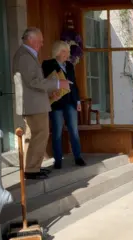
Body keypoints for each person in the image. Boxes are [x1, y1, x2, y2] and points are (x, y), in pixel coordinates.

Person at [13, 27, 70, 180]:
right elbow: (34, 81)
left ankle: (32, 168)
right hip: (34, 105)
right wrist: (57, 84)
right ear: (31, 40)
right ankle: (32, 169)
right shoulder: (25, 56)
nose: (42, 44)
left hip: (34, 103)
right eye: (40, 41)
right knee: (40, 135)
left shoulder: (26, 55)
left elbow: (33, 82)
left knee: (33, 136)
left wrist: (51, 90)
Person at [42, 41, 86, 169]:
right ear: (58, 52)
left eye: (68, 52)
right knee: (57, 132)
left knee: (74, 130)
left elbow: (74, 84)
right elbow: (45, 82)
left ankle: (78, 157)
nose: (68, 54)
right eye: (65, 51)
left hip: (70, 102)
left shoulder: (70, 66)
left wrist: (78, 101)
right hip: (56, 103)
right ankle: (58, 160)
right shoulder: (48, 64)